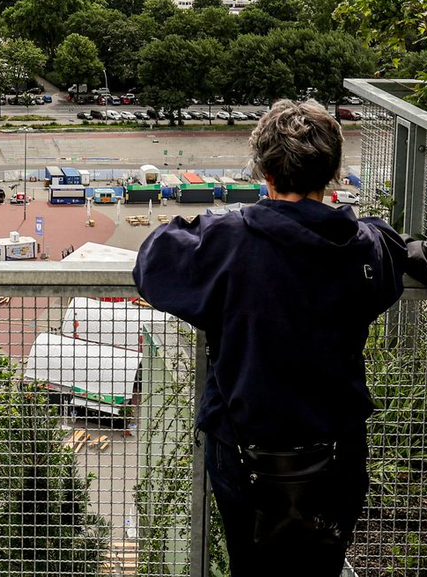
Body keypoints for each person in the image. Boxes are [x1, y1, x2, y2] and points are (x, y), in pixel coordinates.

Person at [134, 99, 412, 577]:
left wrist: (219, 221)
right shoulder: (366, 246)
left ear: (263, 168)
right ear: (332, 173)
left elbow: (155, 259)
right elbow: (389, 244)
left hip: (244, 448)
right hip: (336, 449)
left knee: (251, 563)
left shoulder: (228, 240)